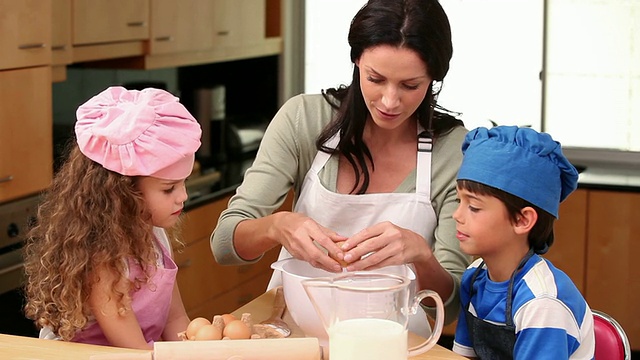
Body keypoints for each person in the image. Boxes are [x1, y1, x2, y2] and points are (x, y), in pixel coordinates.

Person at [211, 0, 471, 333]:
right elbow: (224, 243)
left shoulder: (452, 150)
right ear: (356, 61)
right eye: (375, 78)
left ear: (434, 78)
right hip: (295, 335)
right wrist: (278, 226)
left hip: (397, 343)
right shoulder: (304, 119)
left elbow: (447, 309)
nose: (390, 101)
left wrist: (421, 254)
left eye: (410, 86)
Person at [23, 86, 202, 350]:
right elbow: (130, 347)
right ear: (125, 192)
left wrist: (196, 351)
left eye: (183, 183)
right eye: (169, 188)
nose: (182, 196)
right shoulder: (102, 256)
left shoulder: (154, 235)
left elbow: (175, 318)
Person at [451, 126, 595, 359]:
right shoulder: (473, 277)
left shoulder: (542, 303)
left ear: (522, 219)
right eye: (459, 201)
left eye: (474, 207)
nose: (457, 215)